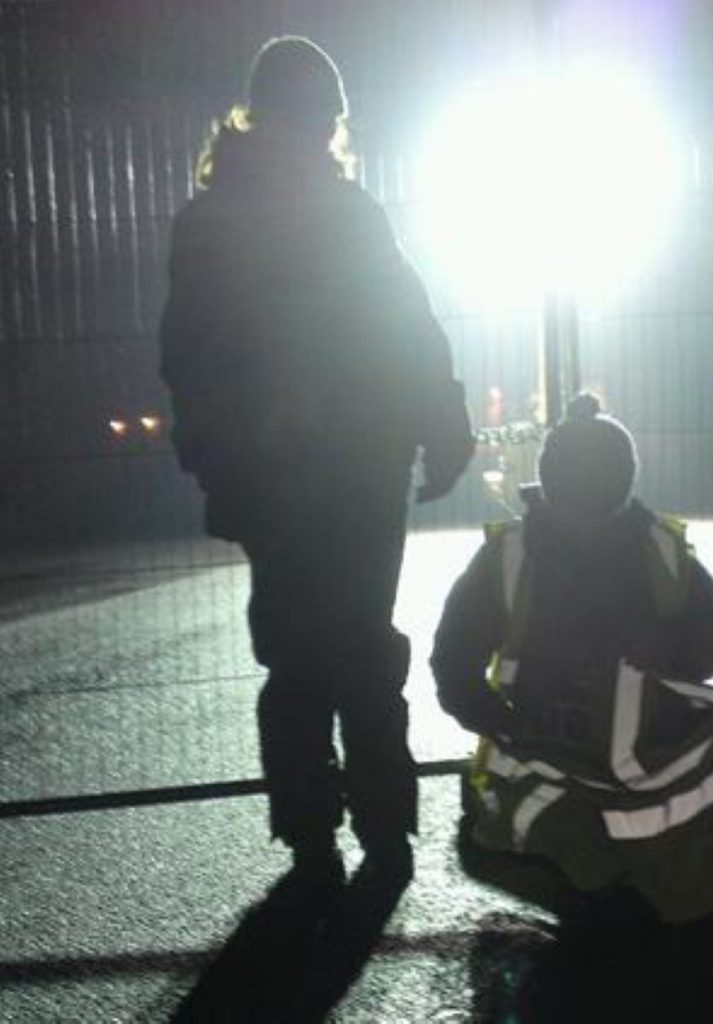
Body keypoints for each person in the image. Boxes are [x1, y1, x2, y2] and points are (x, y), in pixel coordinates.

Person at [159, 36, 475, 893]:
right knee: (363, 642)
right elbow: (407, 324)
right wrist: (442, 422)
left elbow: (189, 353)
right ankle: (384, 822)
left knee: (296, 653)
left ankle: (310, 828)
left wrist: (215, 451)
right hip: (361, 463)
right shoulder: (350, 215)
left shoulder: (211, 221)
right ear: (326, 119)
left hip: (272, 473)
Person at [431, 393, 713, 930]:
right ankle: (697, 880)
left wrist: (648, 689)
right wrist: (509, 723)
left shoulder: (637, 546)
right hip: (545, 748)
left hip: (646, 736)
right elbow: (455, 661)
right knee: (587, 835)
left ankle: (696, 879)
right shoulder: (518, 554)